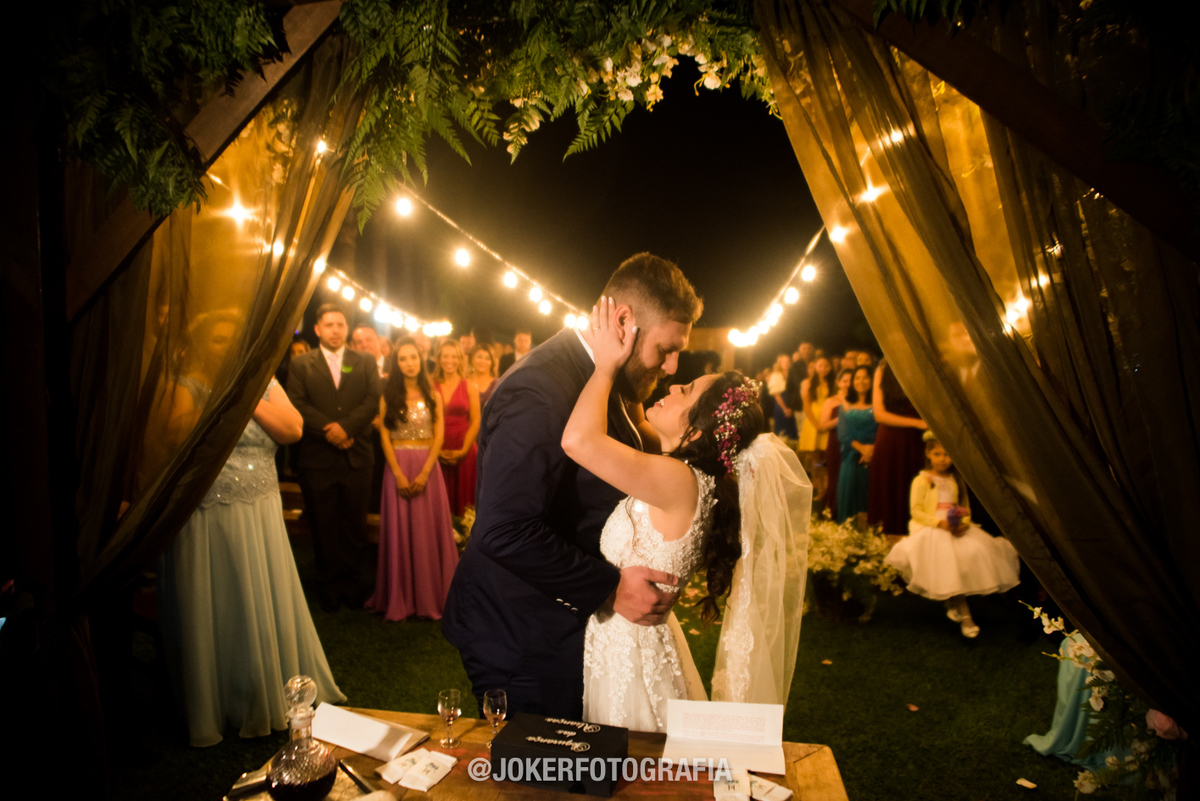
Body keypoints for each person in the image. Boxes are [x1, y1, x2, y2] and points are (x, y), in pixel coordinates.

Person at [442, 252, 702, 719]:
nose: (671, 367)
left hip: (562, 625)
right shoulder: (541, 387)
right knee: (539, 783)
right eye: (666, 348)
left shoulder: (609, 380)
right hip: (519, 632)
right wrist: (609, 587)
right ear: (623, 320)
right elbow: (504, 529)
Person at [564, 300, 762, 731]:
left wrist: (604, 366)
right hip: (627, 645)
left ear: (696, 431)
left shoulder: (677, 480)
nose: (672, 386)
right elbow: (636, 412)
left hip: (631, 660)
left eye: (686, 391)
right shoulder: (684, 474)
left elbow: (579, 440)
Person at [159, 314, 344, 746]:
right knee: (219, 600)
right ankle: (220, 699)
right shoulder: (184, 383)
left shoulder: (260, 381)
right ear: (203, 343)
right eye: (219, 339)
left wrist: (242, 392)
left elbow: (293, 429)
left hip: (260, 507)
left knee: (262, 595)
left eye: (234, 339)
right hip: (210, 511)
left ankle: (267, 688)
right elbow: (177, 439)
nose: (227, 346)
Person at [287, 304, 382, 611]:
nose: (335, 330)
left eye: (340, 324)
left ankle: (352, 584)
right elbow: (297, 404)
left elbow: (371, 402)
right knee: (323, 526)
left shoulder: (365, 361)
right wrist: (331, 431)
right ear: (317, 329)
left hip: (357, 457)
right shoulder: (302, 364)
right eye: (329, 325)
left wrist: (347, 428)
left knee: (353, 526)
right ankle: (328, 586)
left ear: (347, 329)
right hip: (317, 457)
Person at [884, 433, 1020, 637]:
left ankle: (952, 601)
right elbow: (917, 511)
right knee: (948, 560)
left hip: (955, 526)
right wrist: (940, 522)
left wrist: (962, 523)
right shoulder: (922, 480)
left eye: (946, 454)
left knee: (975, 552)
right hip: (932, 527)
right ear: (928, 454)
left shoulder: (956, 479)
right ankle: (966, 616)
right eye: (937, 453)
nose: (942, 459)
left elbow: (963, 506)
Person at [367, 338, 458, 621]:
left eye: (413, 358)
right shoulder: (388, 396)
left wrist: (424, 472)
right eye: (403, 358)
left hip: (427, 470)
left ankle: (432, 597)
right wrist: (396, 472)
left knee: (426, 531)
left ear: (421, 361)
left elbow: (439, 434)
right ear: (397, 363)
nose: (409, 363)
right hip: (396, 466)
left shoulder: (434, 394)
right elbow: (384, 434)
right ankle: (400, 597)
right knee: (399, 532)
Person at [867, 359, 928, 535]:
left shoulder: (921, 363)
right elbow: (879, 414)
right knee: (890, 487)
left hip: (917, 440)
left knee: (913, 487)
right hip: (892, 438)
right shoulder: (883, 368)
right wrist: (917, 423)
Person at [433, 340, 480, 516]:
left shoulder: (470, 386)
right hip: (437, 449)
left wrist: (462, 451)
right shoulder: (430, 385)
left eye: (454, 356)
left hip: (464, 449)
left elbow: (476, 421)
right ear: (439, 359)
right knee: (440, 500)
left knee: (465, 504)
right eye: (445, 356)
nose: (449, 360)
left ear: (460, 360)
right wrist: (436, 451)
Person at [836, 365, 877, 523]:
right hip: (851, 458)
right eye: (857, 378)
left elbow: (880, 429)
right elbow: (843, 434)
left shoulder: (879, 404)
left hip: (874, 457)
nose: (861, 381)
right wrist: (862, 449)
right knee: (849, 499)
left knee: (870, 498)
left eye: (865, 377)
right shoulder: (845, 405)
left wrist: (872, 450)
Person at [797, 356, 834, 499]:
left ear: (830, 368)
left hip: (827, 420)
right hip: (813, 421)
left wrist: (826, 423)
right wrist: (816, 424)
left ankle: (826, 488)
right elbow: (806, 405)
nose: (823, 369)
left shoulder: (833, 383)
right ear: (815, 367)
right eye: (820, 366)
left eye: (826, 366)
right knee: (814, 458)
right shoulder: (807, 383)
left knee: (825, 456)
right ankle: (817, 487)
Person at [819, 368, 852, 518]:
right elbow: (823, 426)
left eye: (850, 380)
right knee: (835, 477)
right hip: (835, 442)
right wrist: (843, 417)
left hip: (853, 442)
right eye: (844, 381)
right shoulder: (831, 401)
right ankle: (832, 510)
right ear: (839, 383)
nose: (848, 384)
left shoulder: (859, 401)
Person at [766, 354, 797, 439]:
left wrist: (791, 407)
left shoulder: (794, 375)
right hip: (781, 405)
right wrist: (785, 409)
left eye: (788, 361)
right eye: (784, 362)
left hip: (792, 404)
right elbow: (777, 395)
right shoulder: (776, 376)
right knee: (782, 431)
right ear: (780, 363)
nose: (786, 364)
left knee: (793, 431)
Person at [466, 344, 498, 409]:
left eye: (487, 358)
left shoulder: (497, 384)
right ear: (472, 359)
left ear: (492, 362)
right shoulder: (463, 382)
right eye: (479, 357)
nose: (483, 361)